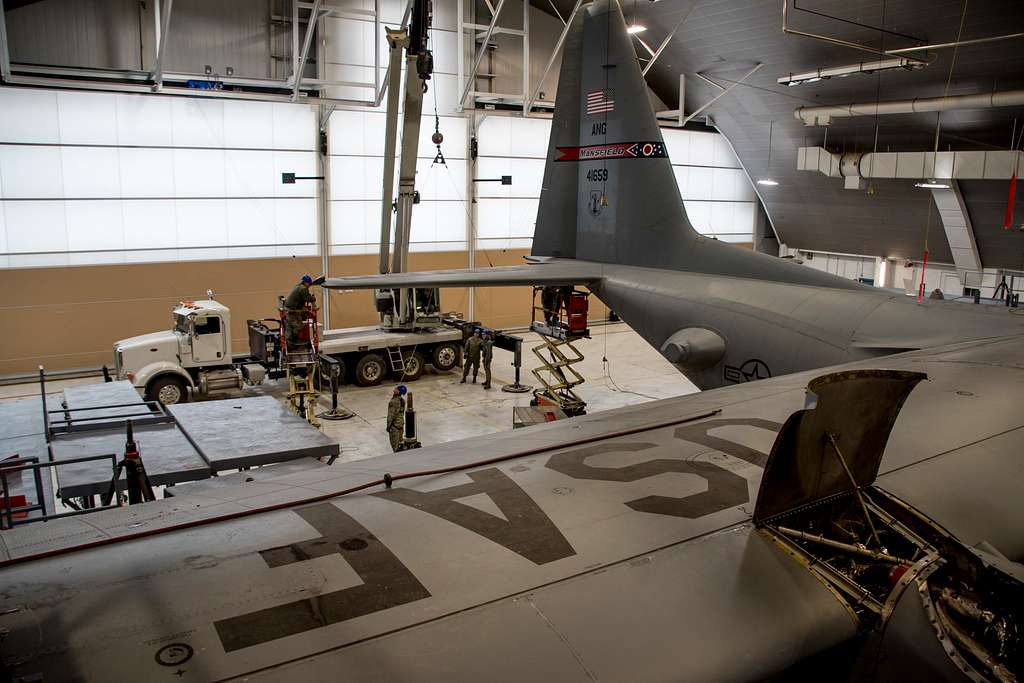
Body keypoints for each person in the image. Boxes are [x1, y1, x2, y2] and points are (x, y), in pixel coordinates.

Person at [283, 275, 318, 346]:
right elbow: (307, 298)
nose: (309, 285)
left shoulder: (298, 286)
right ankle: (292, 343)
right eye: (309, 283)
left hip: (290, 308)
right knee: (297, 326)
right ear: (305, 282)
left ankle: (291, 342)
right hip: (292, 310)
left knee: (290, 325)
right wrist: (313, 299)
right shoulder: (303, 289)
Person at [386, 385, 407, 452]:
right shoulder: (402, 401)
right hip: (400, 425)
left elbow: (391, 415)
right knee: (400, 444)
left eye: (396, 388)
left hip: (394, 427)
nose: (394, 389)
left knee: (395, 447)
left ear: (398, 392)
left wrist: (388, 426)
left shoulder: (393, 402)